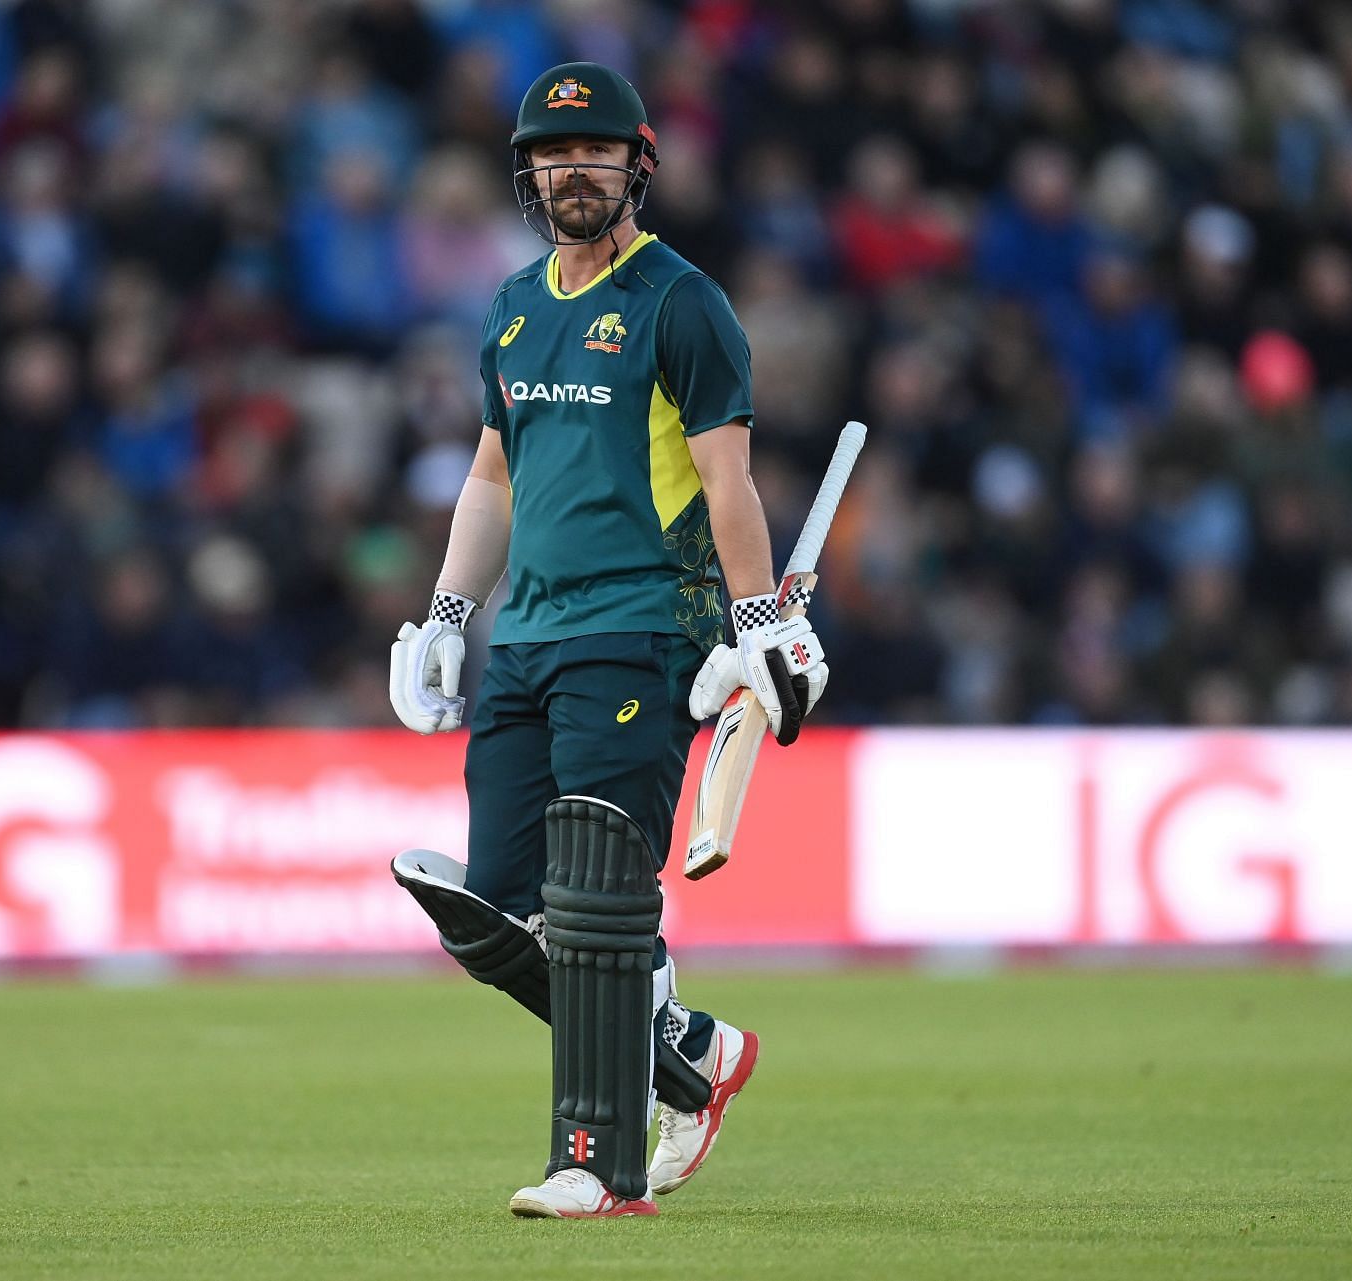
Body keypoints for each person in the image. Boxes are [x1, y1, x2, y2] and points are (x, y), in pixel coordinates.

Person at [388, 62, 829, 1218]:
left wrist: (756, 622)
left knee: (592, 904)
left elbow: (730, 485)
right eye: (546, 154)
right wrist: (444, 613)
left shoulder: (683, 303)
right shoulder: (514, 305)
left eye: (590, 153)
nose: (567, 171)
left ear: (637, 166)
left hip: (641, 630)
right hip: (526, 639)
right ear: (524, 172)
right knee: (498, 912)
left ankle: (594, 1162)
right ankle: (689, 1053)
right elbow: (494, 475)